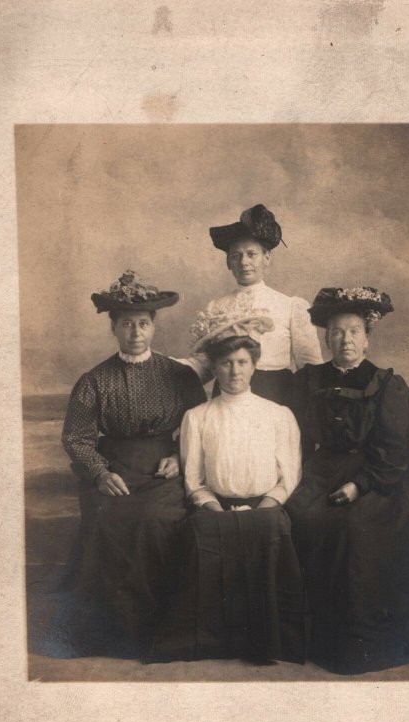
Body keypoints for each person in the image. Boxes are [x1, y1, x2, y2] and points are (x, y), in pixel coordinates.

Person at [39, 271, 206, 659]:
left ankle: (162, 630)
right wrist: (99, 472)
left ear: (154, 326)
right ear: (114, 328)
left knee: (158, 519)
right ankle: (112, 633)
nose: (136, 332)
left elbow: (201, 425)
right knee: (109, 519)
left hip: (166, 467)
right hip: (116, 469)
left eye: (143, 324)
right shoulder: (94, 380)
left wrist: (182, 459)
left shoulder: (179, 375)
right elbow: (77, 438)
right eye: (127, 324)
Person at [150, 302, 307, 664]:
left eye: (242, 362)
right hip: (215, 507)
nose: (234, 371)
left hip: (266, 507)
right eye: (226, 363)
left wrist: (269, 503)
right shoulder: (198, 417)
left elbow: (290, 474)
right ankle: (211, 642)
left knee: (268, 529)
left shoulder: (277, 415)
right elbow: (194, 478)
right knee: (204, 535)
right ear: (215, 368)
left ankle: (266, 642)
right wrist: (214, 506)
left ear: (254, 366)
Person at [286, 286, 409, 674]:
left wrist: (358, 485)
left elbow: (392, 454)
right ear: (326, 337)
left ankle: (354, 643)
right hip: (319, 472)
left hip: (371, 478)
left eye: (354, 332)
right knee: (295, 516)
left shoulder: (385, 383)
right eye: (338, 332)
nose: (346, 340)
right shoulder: (309, 379)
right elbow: (294, 437)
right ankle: (304, 636)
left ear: (367, 337)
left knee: (352, 526)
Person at [185, 204, 322, 405]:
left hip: (276, 393)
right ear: (228, 262)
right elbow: (205, 365)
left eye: (251, 254)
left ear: (266, 258)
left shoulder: (290, 306)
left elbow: (311, 368)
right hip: (227, 395)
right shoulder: (216, 307)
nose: (243, 262)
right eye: (236, 256)